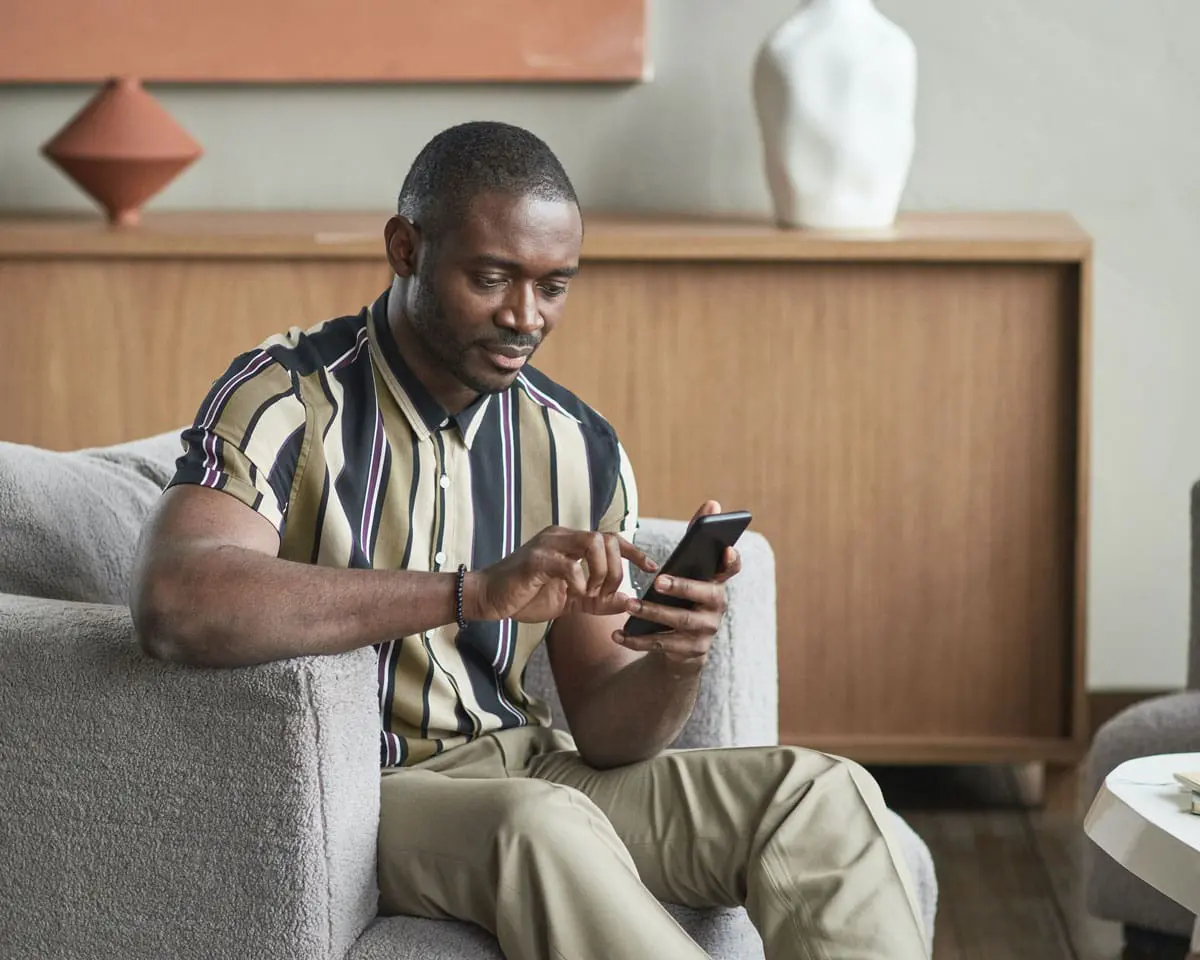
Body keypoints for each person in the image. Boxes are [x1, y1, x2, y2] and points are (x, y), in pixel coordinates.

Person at [131, 121, 927, 960]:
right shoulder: (285, 393)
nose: (525, 316)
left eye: (553, 286)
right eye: (492, 278)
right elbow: (178, 601)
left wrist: (675, 662)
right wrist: (469, 592)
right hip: (365, 790)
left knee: (821, 794)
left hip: (532, 764)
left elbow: (612, 732)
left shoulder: (579, 445)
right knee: (541, 825)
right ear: (406, 248)